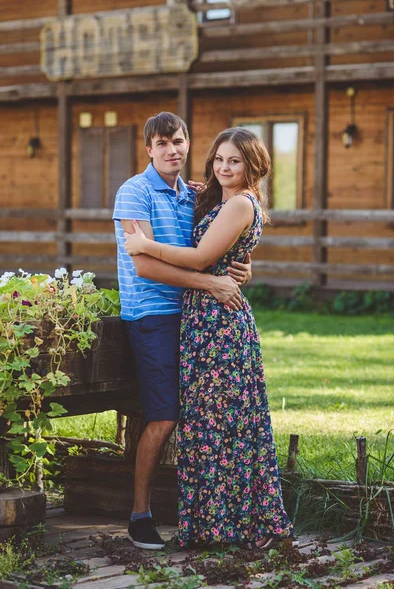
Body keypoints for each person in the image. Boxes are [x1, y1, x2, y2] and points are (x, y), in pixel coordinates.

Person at [124, 127, 296, 549]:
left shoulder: (239, 203)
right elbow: (227, 257)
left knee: (228, 426)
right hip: (202, 319)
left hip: (220, 326)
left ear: (252, 165)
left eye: (234, 161)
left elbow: (202, 258)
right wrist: (238, 266)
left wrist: (147, 245)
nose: (224, 167)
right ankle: (212, 524)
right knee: (208, 427)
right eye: (219, 159)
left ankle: (247, 524)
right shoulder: (218, 199)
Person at [113, 113, 251, 550]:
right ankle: (140, 515)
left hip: (195, 316)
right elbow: (146, 265)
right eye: (162, 143)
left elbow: (217, 243)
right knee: (165, 415)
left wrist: (240, 268)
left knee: (202, 413)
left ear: (189, 144)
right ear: (148, 148)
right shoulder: (133, 192)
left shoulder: (193, 194)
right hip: (152, 314)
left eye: (178, 141)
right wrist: (212, 282)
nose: (172, 149)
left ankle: (207, 510)